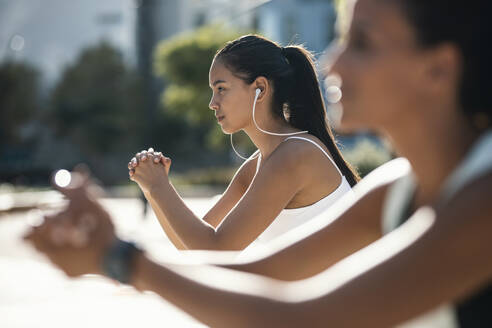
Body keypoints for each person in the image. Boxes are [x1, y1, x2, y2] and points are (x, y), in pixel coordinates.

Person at [24, 0, 492, 326]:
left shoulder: (482, 202)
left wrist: (124, 257)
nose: (333, 62)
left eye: (363, 42)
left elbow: (303, 316)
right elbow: (248, 274)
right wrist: (110, 257)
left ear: (439, 68)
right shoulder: (394, 189)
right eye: (340, 38)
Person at [126, 35, 359, 251]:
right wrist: (152, 188)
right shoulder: (258, 165)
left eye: (221, 89)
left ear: (260, 88)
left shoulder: (296, 155)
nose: (212, 103)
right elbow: (191, 248)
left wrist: (159, 186)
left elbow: (216, 249)